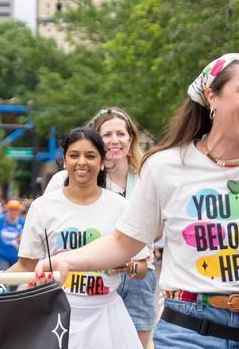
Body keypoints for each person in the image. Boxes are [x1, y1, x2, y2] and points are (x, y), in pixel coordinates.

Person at [38, 54, 239, 348]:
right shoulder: (165, 165)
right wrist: (67, 260)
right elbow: (124, 242)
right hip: (189, 328)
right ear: (212, 96)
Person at [11, 128, 145, 348]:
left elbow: (142, 268)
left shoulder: (121, 207)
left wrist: (127, 266)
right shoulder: (42, 207)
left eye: (90, 156)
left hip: (106, 317)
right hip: (54, 314)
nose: (81, 162)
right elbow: (25, 265)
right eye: (74, 155)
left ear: (102, 162)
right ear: (64, 161)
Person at [46, 107, 159, 344]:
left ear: (131, 139)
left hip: (138, 274)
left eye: (121, 133)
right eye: (107, 135)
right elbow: (48, 222)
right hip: (86, 277)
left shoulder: (147, 177)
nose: (114, 140)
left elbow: (159, 226)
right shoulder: (72, 179)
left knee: (135, 343)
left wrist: (128, 260)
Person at [0, 199, 24, 272]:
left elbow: (25, 237)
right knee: (5, 277)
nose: (13, 212)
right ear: (7, 209)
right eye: (11, 209)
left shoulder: (22, 222)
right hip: (0, 255)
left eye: (15, 209)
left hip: (16, 256)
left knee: (15, 280)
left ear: (18, 210)